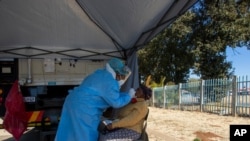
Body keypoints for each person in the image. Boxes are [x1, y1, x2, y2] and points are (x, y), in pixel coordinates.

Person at [55, 58, 135, 141]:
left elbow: (108, 94)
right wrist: (129, 96)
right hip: (83, 109)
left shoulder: (99, 73)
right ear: (116, 71)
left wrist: (126, 94)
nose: (120, 78)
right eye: (120, 75)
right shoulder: (109, 81)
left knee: (69, 132)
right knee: (85, 134)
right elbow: (116, 102)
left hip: (72, 102)